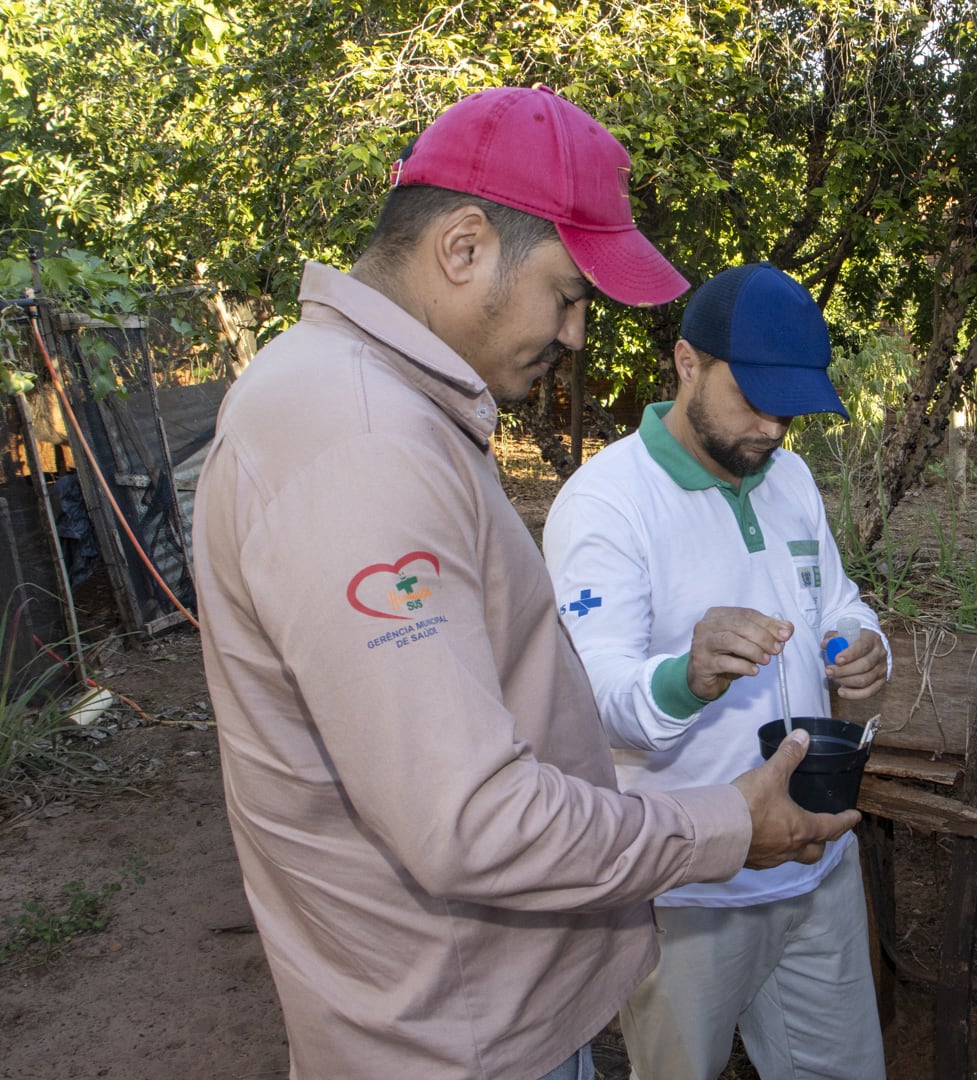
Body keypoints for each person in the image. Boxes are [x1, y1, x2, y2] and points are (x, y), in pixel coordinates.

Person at [191, 88, 857, 1080]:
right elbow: (469, 821)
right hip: (453, 1036)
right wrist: (721, 824)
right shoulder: (360, 440)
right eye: (569, 294)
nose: (578, 333)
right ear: (463, 250)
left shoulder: (365, 408)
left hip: (467, 1008)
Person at [542, 262, 890, 1080]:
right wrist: (686, 676)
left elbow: (835, 596)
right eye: (754, 398)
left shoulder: (791, 479)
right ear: (687, 362)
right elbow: (591, 695)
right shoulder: (606, 504)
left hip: (815, 859)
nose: (772, 428)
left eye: (789, 407)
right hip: (688, 885)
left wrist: (857, 640)